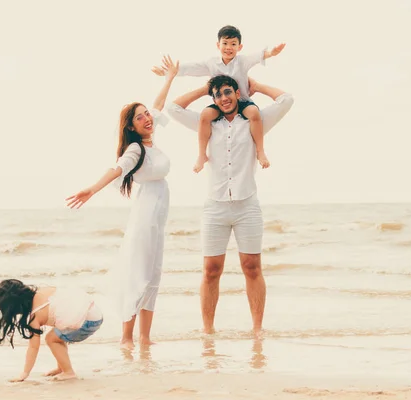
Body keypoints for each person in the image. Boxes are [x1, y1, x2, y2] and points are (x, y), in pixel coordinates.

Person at [166, 74, 294, 336]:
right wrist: (204, 89)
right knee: (211, 270)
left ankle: (257, 330)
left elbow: (286, 99)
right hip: (215, 207)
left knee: (251, 266)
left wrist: (257, 87)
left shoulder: (254, 120)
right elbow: (173, 108)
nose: (223, 98)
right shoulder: (208, 123)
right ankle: (208, 331)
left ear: (237, 93)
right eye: (218, 94)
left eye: (227, 92)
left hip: (247, 205)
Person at [65, 56, 179, 350]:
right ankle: (127, 337)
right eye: (140, 117)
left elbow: (159, 104)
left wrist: (169, 78)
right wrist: (92, 189)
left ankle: (145, 337)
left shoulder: (152, 141)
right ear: (131, 126)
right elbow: (116, 169)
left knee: (153, 274)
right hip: (146, 216)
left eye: (146, 115)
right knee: (139, 274)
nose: (147, 118)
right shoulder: (135, 147)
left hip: (157, 217)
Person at [152, 25, 285, 173]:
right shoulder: (211, 63)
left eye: (233, 44)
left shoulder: (242, 61)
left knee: (254, 112)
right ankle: (202, 155)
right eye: (225, 43)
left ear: (239, 47)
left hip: (243, 101)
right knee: (205, 116)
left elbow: (258, 56)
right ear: (218, 45)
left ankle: (260, 151)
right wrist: (168, 72)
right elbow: (192, 68)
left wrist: (271, 53)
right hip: (221, 103)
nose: (229, 48)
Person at [0, 279, 103, 382]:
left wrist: (24, 373)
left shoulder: (34, 318)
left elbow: (33, 347)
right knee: (56, 335)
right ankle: (62, 366)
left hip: (87, 322)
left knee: (51, 339)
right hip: (94, 312)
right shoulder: (42, 292)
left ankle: (68, 372)